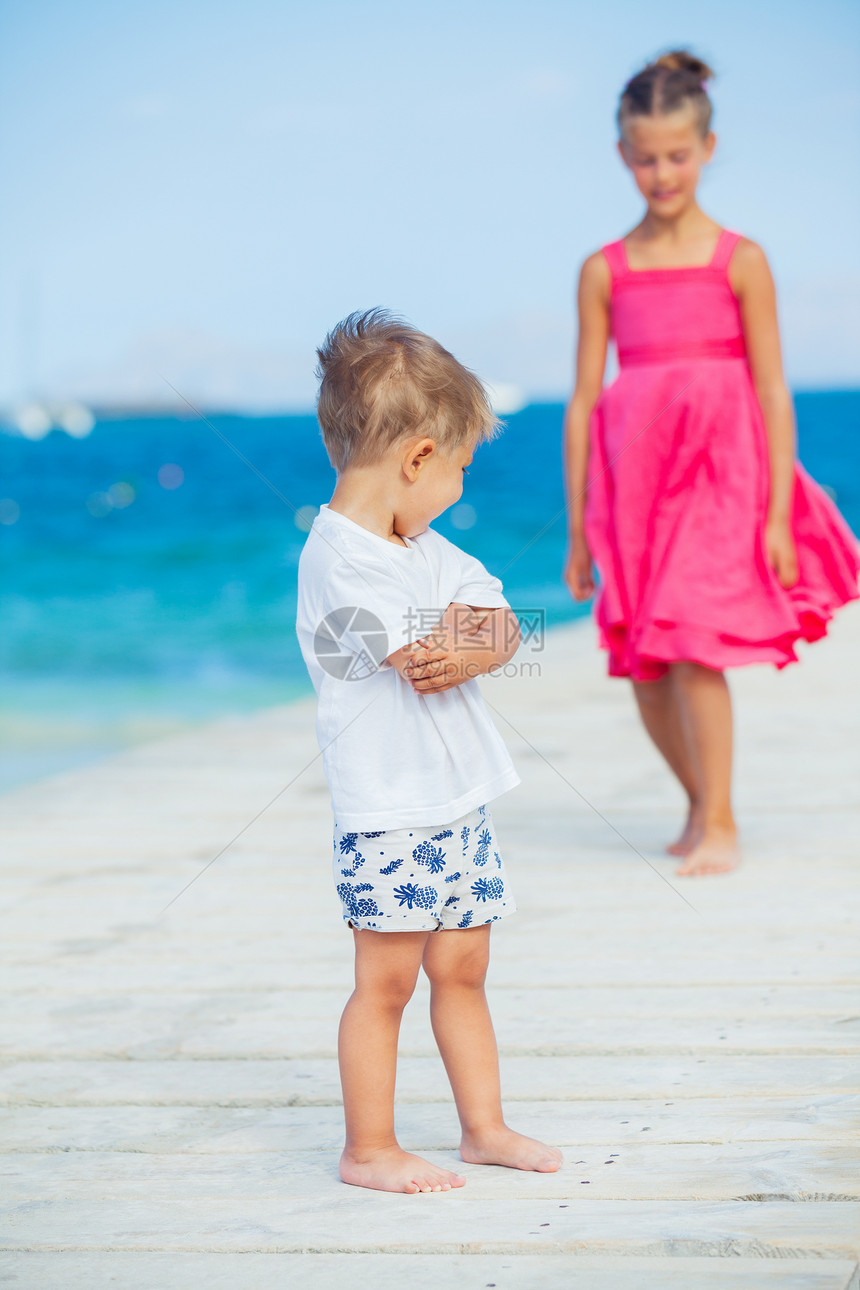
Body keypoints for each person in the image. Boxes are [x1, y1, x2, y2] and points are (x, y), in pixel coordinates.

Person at [563, 50, 859, 879]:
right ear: (624, 156)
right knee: (645, 664)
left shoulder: (742, 260)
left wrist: (774, 515)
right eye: (647, 157)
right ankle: (699, 801)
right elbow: (585, 402)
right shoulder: (604, 272)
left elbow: (772, 391)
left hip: (724, 479)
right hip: (634, 487)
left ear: (709, 147)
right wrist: (581, 528)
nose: (663, 172)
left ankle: (722, 822)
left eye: (678, 155)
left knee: (693, 641)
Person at [296, 309, 562, 1194]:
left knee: (464, 967)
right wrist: (476, 638)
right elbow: (425, 654)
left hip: (456, 803)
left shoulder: (423, 546)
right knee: (386, 984)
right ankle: (368, 1146)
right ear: (417, 458)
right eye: (460, 469)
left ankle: (481, 1127)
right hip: (389, 814)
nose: (458, 487)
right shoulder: (338, 561)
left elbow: (495, 617)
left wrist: (486, 638)